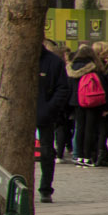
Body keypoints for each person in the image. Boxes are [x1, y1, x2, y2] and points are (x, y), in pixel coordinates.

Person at [36, 41, 71, 203]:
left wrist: (49, 108)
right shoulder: (21, 59)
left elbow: (63, 88)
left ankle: (45, 188)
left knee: (46, 152)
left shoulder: (53, 62)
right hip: (21, 115)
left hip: (45, 115)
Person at [68, 47, 108, 167]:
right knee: (90, 129)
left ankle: (78, 155)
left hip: (76, 102)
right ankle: (87, 156)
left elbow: (68, 87)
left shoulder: (71, 68)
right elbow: (103, 85)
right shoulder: (94, 67)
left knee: (79, 128)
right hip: (92, 100)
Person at [46, 40, 75, 160]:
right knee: (60, 128)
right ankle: (59, 152)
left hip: (51, 101)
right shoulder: (62, 68)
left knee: (55, 128)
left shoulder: (49, 65)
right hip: (60, 102)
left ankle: (54, 151)